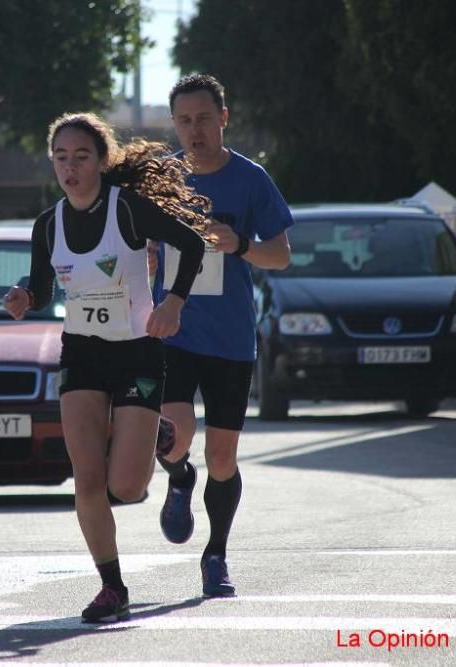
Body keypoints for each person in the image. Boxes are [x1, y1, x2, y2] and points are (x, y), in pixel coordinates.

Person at [2, 112, 206, 623]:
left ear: (101, 161)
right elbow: (44, 288)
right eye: (61, 158)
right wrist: (25, 296)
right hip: (82, 355)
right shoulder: (48, 224)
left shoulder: (128, 210)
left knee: (128, 488)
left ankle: (166, 450)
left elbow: (193, 243)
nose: (70, 168)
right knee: (87, 482)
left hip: (137, 351)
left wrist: (174, 303)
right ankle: (113, 587)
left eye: (81, 157)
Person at [151, 74, 293, 598]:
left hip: (232, 338)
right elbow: (135, 241)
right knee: (173, 437)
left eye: (204, 119)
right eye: (185, 121)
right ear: (175, 125)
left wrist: (240, 244)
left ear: (223, 118)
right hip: (174, 331)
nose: (195, 130)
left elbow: (280, 255)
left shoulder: (251, 180)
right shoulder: (161, 180)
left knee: (224, 459)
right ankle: (178, 477)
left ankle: (216, 556)